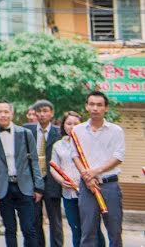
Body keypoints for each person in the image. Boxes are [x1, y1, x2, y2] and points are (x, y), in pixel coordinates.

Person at [0, 100, 43, 247]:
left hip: (25, 186)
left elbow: (34, 160)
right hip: (3, 188)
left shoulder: (25, 134)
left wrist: (39, 187)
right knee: (10, 229)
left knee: (29, 229)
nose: (3, 115)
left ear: (12, 113)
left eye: (6, 112)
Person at [72, 91, 125, 247]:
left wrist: (94, 172)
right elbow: (75, 156)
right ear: (86, 106)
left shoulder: (116, 131)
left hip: (110, 186)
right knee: (88, 231)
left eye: (99, 105)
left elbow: (118, 157)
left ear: (106, 108)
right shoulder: (78, 130)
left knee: (114, 231)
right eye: (92, 104)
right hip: (87, 187)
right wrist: (87, 177)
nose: (95, 108)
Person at [50, 112, 103, 247]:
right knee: (76, 228)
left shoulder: (90, 142)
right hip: (69, 194)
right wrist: (61, 181)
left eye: (76, 124)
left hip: (89, 191)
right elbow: (53, 167)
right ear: (63, 126)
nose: (72, 127)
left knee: (93, 229)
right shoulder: (58, 145)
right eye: (69, 123)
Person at [24, 100, 62, 247]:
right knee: (35, 220)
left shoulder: (58, 132)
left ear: (51, 113)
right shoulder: (27, 131)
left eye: (45, 111)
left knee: (55, 221)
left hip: (53, 180)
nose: (41, 114)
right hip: (34, 182)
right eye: (38, 111)